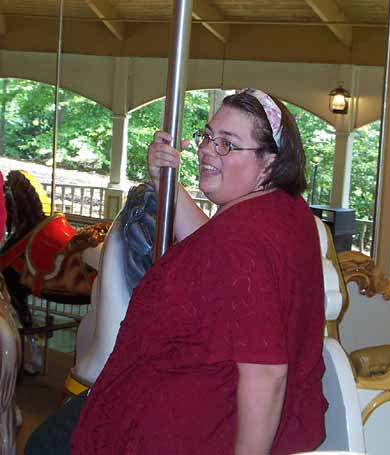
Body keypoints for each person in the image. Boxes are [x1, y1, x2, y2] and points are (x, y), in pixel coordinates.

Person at [26, 88, 327, 455]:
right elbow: (215, 248)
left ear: (269, 162)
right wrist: (164, 180)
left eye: (227, 145)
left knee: (46, 445)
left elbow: (266, 374)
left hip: (193, 419)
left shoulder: (247, 239)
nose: (205, 149)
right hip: (198, 396)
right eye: (207, 136)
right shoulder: (283, 210)